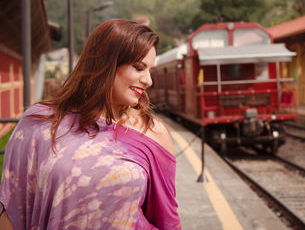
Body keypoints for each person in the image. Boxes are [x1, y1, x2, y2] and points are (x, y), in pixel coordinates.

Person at [0, 19, 181, 230]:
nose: (148, 80)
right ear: (106, 62)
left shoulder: (151, 133)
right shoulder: (40, 122)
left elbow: (168, 220)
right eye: (139, 67)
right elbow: (12, 210)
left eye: (149, 70)